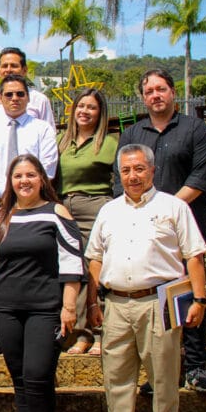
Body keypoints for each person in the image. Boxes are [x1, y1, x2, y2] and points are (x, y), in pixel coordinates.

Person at [88, 144, 206, 412]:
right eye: (126, 170)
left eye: (139, 169)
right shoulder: (109, 211)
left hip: (159, 303)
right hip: (116, 304)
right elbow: (94, 256)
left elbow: (194, 255)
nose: (133, 176)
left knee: (164, 379)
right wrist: (98, 295)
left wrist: (199, 300)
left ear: (152, 170)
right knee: (117, 380)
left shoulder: (173, 207)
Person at [0, 154, 84, 412]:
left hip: (45, 308)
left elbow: (72, 263)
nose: (24, 181)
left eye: (30, 175)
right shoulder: (0, 217)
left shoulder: (56, 213)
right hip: (7, 308)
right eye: (17, 176)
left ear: (42, 179)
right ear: (10, 182)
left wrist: (68, 308)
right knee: (20, 379)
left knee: (39, 376)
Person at [115, 69, 206, 394]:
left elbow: (201, 175)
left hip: (186, 224)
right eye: (150, 91)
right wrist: (145, 211)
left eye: (161, 89)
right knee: (155, 301)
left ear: (172, 92)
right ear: (143, 98)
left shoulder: (194, 128)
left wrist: (166, 208)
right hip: (144, 232)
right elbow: (120, 180)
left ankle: (196, 366)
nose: (156, 95)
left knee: (189, 295)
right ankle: (160, 371)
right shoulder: (132, 133)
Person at [56, 87, 117, 355]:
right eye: (81, 106)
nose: (85, 111)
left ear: (100, 112)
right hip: (65, 208)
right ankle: (82, 334)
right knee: (75, 270)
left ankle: (104, 332)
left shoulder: (111, 143)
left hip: (97, 207)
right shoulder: (60, 141)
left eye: (91, 107)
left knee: (99, 271)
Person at [0, 74, 58, 230]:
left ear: (28, 97)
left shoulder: (42, 129)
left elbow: (47, 167)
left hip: (34, 203)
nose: (14, 98)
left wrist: (22, 193)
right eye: (9, 94)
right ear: (0, 98)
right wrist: (5, 192)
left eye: (20, 94)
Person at [0, 47, 56, 126]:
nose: (8, 70)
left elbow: (49, 133)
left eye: (14, 66)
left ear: (24, 70)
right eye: (4, 66)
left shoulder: (40, 101)